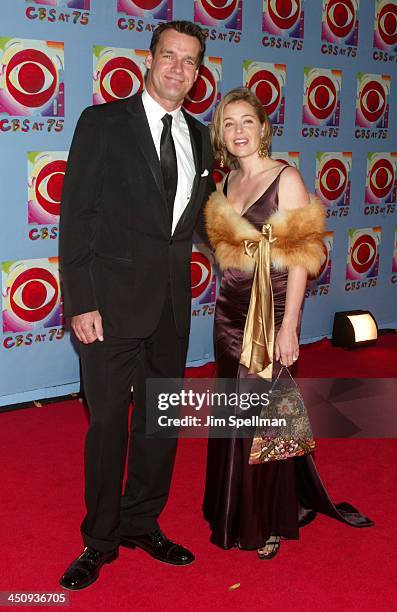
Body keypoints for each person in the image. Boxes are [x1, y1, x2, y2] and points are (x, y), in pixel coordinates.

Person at [59, 20, 214, 590]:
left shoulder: (200, 139)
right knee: (106, 426)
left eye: (190, 60)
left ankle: (140, 522)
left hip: (172, 306)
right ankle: (97, 541)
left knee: (159, 424)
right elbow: (76, 217)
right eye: (169, 56)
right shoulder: (101, 123)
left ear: (199, 73)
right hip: (109, 306)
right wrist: (81, 301)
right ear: (148, 60)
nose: (178, 68)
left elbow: (196, 222)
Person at [203, 87, 373, 560]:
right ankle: (233, 507)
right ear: (221, 133)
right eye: (229, 123)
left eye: (247, 121)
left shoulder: (287, 179)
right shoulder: (226, 184)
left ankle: (270, 518)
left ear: (263, 127)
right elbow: (229, 255)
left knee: (266, 416)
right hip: (229, 310)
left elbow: (301, 257)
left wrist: (290, 324)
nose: (238, 131)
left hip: (272, 310)